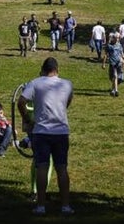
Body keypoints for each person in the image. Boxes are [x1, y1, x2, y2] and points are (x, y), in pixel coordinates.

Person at [18, 57, 74, 216]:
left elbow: (21, 102)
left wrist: (28, 119)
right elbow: (68, 101)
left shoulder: (35, 83)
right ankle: (65, 205)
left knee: (42, 167)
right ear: (57, 70)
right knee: (62, 168)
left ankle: (40, 205)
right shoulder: (67, 84)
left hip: (41, 131)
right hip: (61, 131)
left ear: (43, 69)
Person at [102, 32, 124, 97]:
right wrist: (103, 64)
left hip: (119, 63)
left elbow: (121, 53)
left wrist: (123, 57)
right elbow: (105, 55)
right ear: (113, 38)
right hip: (112, 63)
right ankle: (116, 91)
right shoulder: (109, 46)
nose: (117, 39)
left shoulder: (119, 45)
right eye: (116, 38)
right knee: (115, 76)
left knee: (119, 78)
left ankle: (113, 90)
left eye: (118, 38)